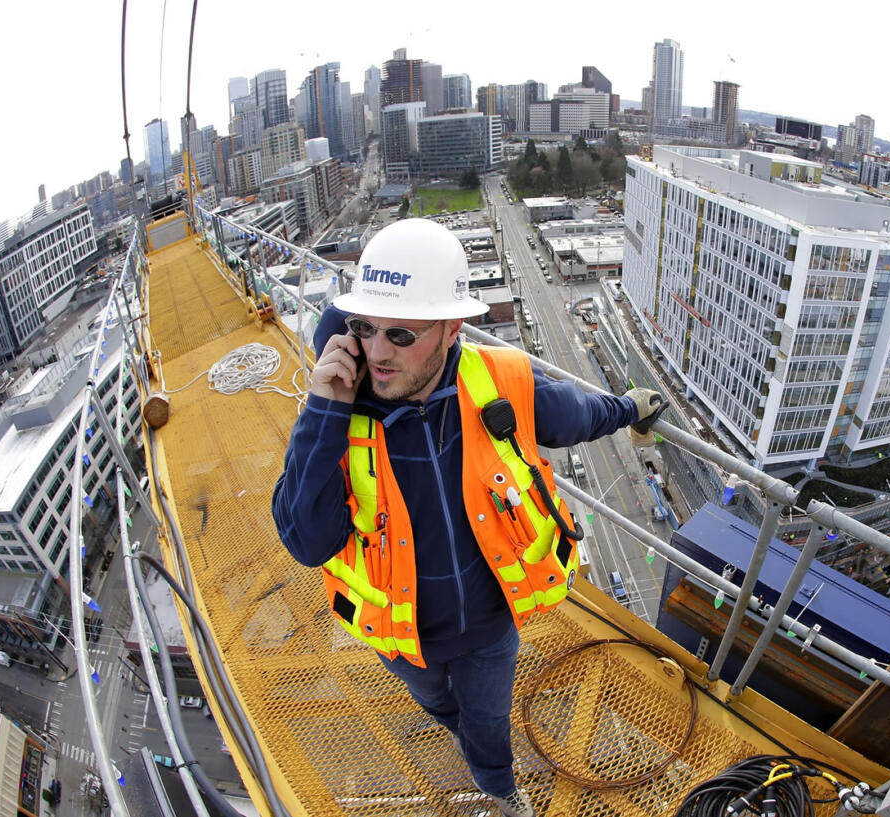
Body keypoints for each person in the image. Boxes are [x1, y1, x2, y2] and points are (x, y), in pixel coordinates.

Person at [273, 218, 664, 817]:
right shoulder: (338, 416)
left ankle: (498, 786)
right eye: (365, 329)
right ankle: (447, 723)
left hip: (487, 629)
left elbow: (577, 415)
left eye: (401, 335)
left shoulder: (497, 382)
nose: (377, 352)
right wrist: (321, 410)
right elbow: (306, 541)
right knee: (435, 701)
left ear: (452, 329)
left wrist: (629, 407)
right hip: (401, 637)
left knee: (486, 722)